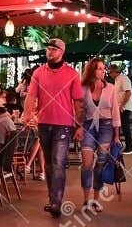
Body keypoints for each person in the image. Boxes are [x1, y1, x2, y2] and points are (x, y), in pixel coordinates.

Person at [23, 37, 84, 216]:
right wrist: (27, 114)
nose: (50, 51)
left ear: (62, 52)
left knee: (58, 163)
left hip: (64, 125)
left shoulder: (72, 74)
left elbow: (79, 102)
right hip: (44, 123)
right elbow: (30, 96)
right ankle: (52, 199)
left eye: (54, 49)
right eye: (48, 48)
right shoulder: (38, 73)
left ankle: (57, 202)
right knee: (49, 164)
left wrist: (79, 126)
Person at [79, 58, 122, 208]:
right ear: (92, 70)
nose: (103, 71)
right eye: (100, 68)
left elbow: (115, 111)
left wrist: (117, 135)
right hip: (88, 125)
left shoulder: (110, 87)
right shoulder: (83, 87)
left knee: (100, 163)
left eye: (104, 68)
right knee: (87, 163)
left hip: (106, 126)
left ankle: (96, 199)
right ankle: (86, 198)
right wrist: (78, 126)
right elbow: (79, 109)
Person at [109, 63, 132, 153]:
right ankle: (118, 145)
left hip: (125, 107)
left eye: (110, 73)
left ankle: (129, 147)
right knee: (120, 126)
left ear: (114, 71)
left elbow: (128, 92)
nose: (109, 75)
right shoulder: (117, 79)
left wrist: (121, 105)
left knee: (125, 126)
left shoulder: (123, 78)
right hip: (120, 106)